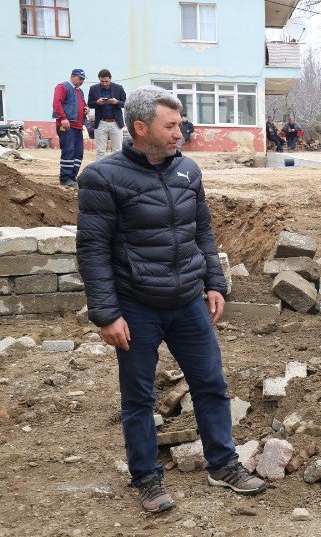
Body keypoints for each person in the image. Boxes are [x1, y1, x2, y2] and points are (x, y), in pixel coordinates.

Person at [76, 86, 266, 514]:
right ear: (141, 128)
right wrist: (106, 314)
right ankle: (146, 478)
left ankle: (223, 464)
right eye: (171, 125)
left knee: (211, 385)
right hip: (136, 306)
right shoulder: (102, 178)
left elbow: (203, 233)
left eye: (180, 123)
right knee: (139, 398)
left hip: (188, 302)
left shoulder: (189, 172)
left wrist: (215, 283)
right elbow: (92, 251)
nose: (181, 132)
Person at [52, 68, 89, 187]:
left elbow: (82, 104)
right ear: (72, 76)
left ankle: (73, 176)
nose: (82, 81)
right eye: (80, 78)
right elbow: (57, 103)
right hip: (66, 126)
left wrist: (86, 109)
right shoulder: (62, 87)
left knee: (78, 153)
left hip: (78, 126)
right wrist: (63, 118)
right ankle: (65, 178)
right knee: (69, 151)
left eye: (83, 79)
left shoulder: (79, 91)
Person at [87, 69, 127, 159]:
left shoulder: (119, 88)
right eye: (102, 81)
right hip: (100, 122)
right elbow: (89, 104)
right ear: (99, 79)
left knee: (118, 150)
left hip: (116, 122)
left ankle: (117, 171)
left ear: (110, 79)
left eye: (106, 81)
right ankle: (99, 172)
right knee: (100, 151)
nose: (104, 83)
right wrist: (97, 102)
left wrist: (116, 102)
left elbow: (126, 103)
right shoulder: (93, 88)